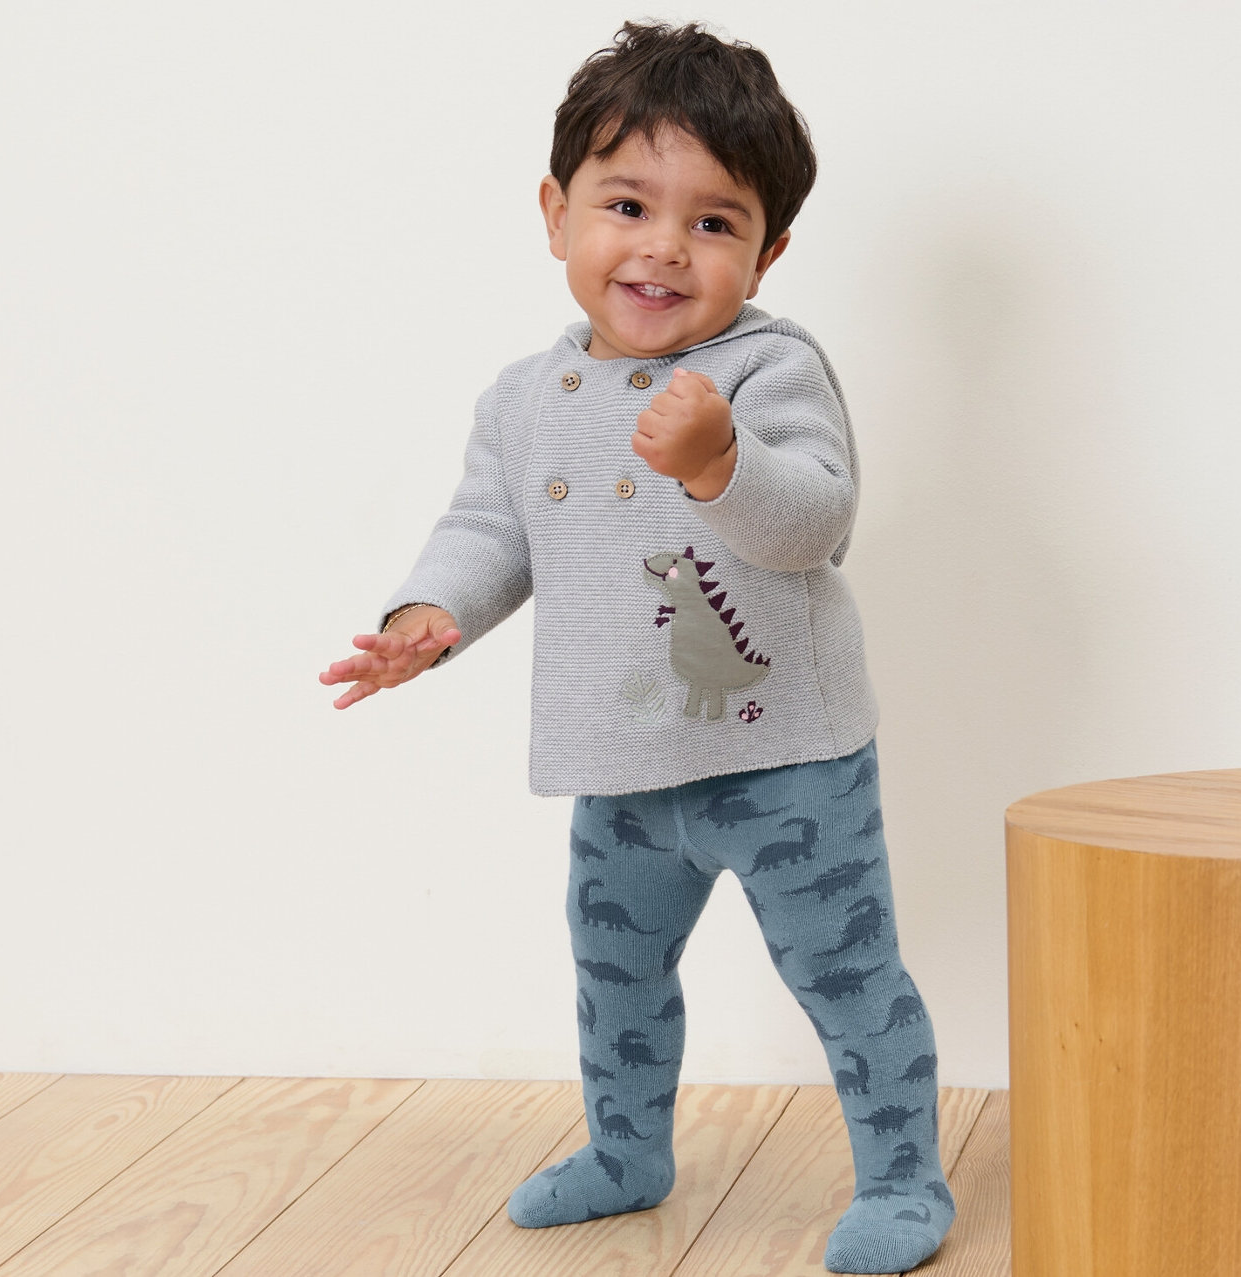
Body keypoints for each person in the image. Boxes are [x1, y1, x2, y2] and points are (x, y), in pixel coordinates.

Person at [319, 21, 953, 1274]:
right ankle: (627, 1147)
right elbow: (486, 531)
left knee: (844, 972)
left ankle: (903, 1172)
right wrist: (421, 623)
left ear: (768, 251)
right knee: (617, 974)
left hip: (785, 760)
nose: (665, 245)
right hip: (620, 765)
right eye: (627, 204)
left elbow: (816, 518)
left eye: (715, 223)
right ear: (557, 216)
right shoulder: (520, 399)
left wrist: (722, 461)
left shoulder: (764, 368)